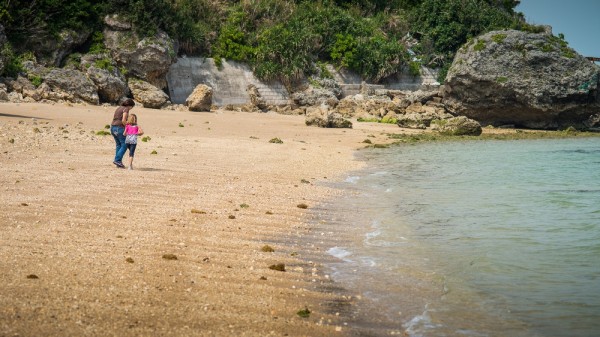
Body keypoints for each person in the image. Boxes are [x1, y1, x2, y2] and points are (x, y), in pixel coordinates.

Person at [110, 98, 135, 168]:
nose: (131, 109)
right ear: (130, 105)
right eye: (131, 107)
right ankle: (117, 160)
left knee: (118, 145)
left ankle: (118, 162)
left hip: (112, 127)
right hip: (119, 128)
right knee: (125, 144)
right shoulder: (126, 109)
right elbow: (123, 120)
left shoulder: (119, 108)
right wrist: (128, 127)